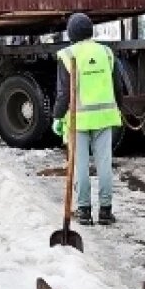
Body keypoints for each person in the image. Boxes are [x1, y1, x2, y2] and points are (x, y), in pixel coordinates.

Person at [52, 13, 123, 227]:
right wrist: (119, 108)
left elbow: (64, 93)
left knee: (80, 165)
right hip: (104, 118)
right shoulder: (106, 53)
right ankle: (105, 211)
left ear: (71, 33)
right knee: (104, 165)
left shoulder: (67, 55)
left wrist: (57, 116)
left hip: (78, 120)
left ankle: (83, 212)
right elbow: (117, 86)